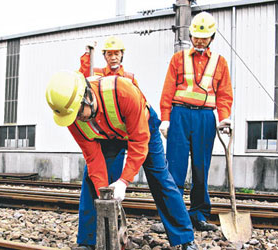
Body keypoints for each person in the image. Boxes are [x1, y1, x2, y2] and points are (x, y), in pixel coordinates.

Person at [46, 71, 197, 250]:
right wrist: (105, 197)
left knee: (160, 178)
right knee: (90, 178)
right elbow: (93, 158)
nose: (78, 119)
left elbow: (139, 143)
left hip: (142, 127)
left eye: (79, 113)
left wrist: (124, 181)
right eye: (73, 117)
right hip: (108, 135)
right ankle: (87, 241)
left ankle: (186, 240)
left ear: (86, 96)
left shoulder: (123, 92)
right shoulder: (71, 116)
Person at [159, 11, 233, 231]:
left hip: (205, 118)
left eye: (205, 37)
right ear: (190, 36)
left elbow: (224, 94)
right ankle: (173, 217)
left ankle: (198, 215)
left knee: (201, 168)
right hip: (179, 115)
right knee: (175, 168)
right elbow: (168, 90)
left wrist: (224, 117)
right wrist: (165, 119)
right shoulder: (178, 59)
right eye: (196, 37)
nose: (200, 41)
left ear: (212, 38)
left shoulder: (220, 62)